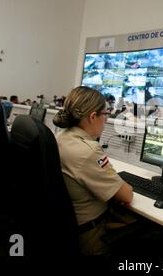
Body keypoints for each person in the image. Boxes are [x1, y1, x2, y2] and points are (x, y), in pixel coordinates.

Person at [53, 86, 134, 255]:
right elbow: (126, 195)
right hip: (91, 232)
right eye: (105, 114)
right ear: (92, 117)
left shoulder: (60, 136)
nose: (106, 119)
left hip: (64, 224)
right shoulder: (87, 150)